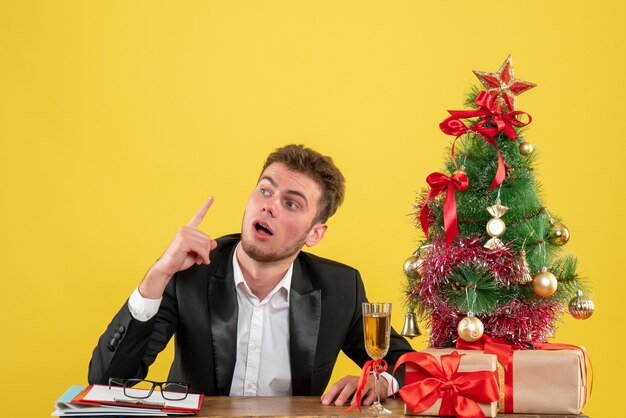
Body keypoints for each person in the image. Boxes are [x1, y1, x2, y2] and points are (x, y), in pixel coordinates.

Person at [88, 144, 413, 407]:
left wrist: (380, 381)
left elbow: (413, 367)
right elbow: (105, 382)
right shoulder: (190, 273)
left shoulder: (339, 289)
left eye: (292, 204)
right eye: (265, 191)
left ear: (315, 234)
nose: (269, 206)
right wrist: (158, 275)